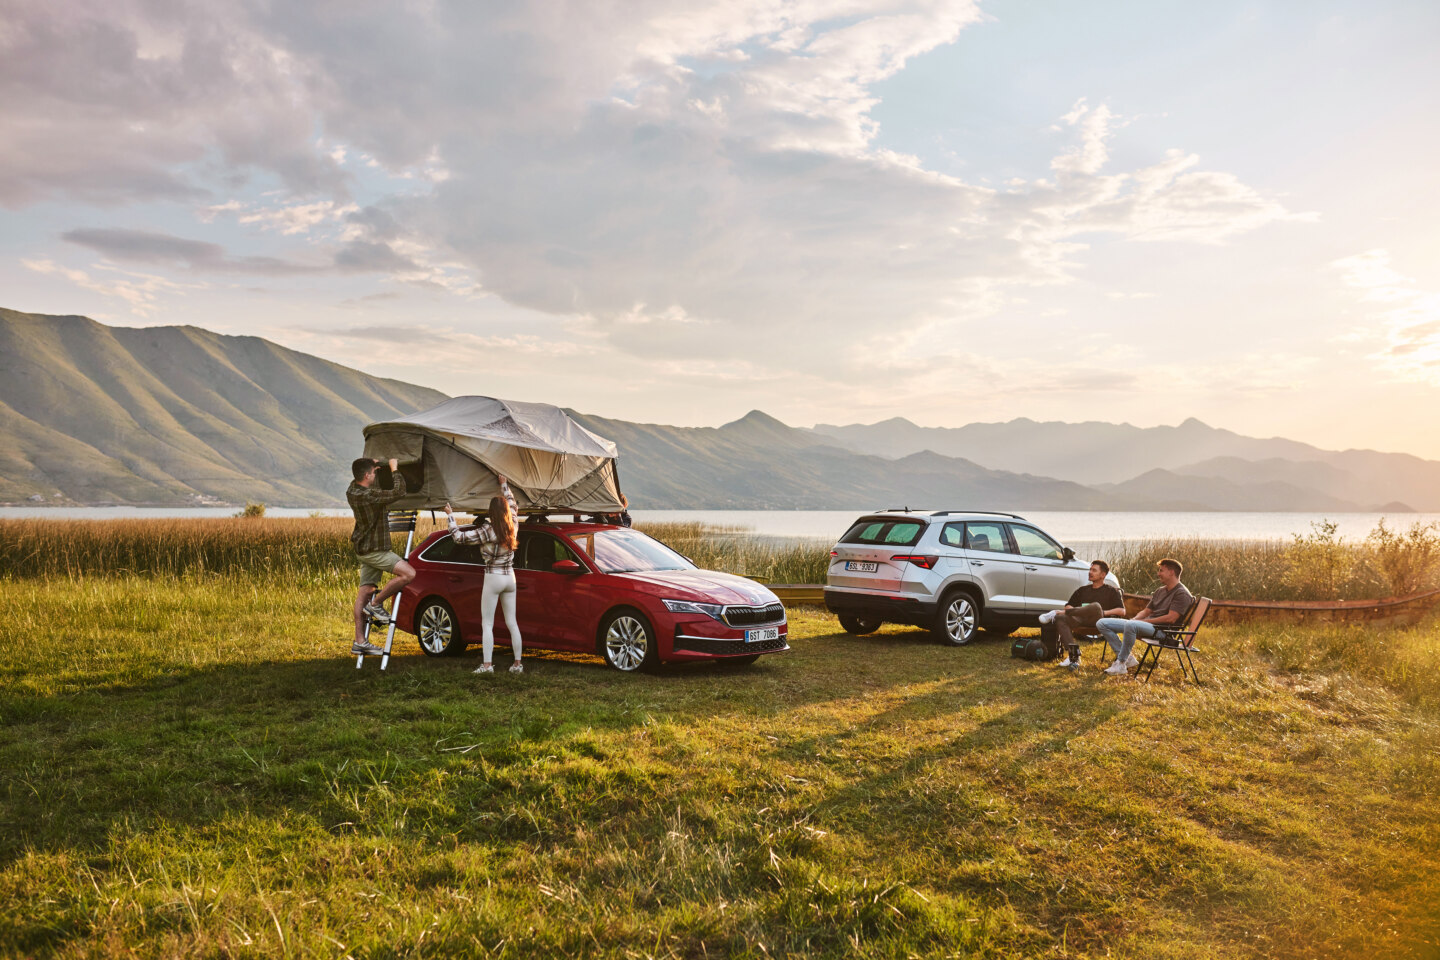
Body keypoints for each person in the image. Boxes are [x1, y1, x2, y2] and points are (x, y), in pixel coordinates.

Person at [445, 476, 524, 674]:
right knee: (512, 623)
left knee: (487, 623)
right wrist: (504, 484)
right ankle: (517, 664)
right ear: (506, 511)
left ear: (491, 513)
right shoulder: (513, 525)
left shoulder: (487, 530)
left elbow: (458, 537)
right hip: (510, 577)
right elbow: (513, 503)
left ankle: (487, 666)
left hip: (493, 577)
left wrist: (450, 516)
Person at [347, 457, 416, 656]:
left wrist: (371, 464)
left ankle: (360, 641)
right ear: (367, 475)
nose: (376, 475)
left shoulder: (353, 490)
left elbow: (369, 487)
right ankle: (376, 605)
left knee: (365, 591)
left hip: (364, 549)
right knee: (408, 574)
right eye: (374, 473)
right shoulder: (369, 496)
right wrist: (394, 469)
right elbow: (399, 492)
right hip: (375, 550)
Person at [1096, 558, 1194, 676]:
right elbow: (1146, 611)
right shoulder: (1160, 591)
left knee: (1131, 625)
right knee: (1102, 623)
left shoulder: (1181, 593)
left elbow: (1171, 618)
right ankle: (1128, 659)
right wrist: (1135, 620)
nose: (1158, 574)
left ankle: (1121, 663)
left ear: (1171, 572)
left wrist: (1140, 622)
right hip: (1147, 626)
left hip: (1163, 631)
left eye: (1161, 570)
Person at [1037, 560, 1126, 670]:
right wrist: (1073, 611)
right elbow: (1068, 606)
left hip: (1100, 621)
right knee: (1060, 618)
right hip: (1081, 620)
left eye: (1094, 570)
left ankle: (1055, 612)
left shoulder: (1111, 591)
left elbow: (1122, 611)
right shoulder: (1083, 590)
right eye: (1090, 569)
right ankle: (1073, 656)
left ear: (1103, 575)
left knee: (1096, 607)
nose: (1090, 572)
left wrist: (1103, 612)